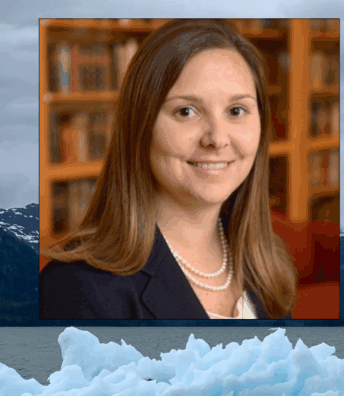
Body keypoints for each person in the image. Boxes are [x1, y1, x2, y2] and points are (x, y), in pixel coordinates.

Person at [40, 19, 298, 320]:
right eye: (185, 111)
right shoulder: (76, 287)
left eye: (236, 111)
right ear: (141, 125)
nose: (217, 139)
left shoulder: (269, 261)